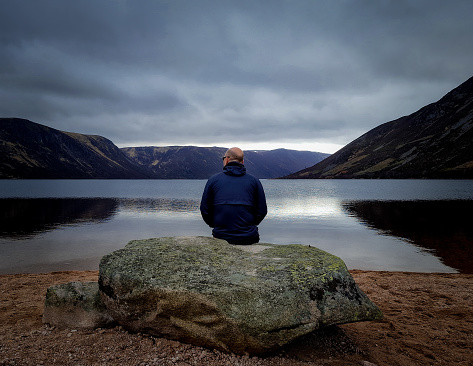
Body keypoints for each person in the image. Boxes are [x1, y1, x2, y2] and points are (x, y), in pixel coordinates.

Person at [200, 147, 267, 245]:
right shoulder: (254, 181)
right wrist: (249, 225)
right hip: (249, 237)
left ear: (226, 159)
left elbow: (204, 210)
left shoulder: (213, 181)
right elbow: (262, 211)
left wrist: (216, 225)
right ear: (242, 162)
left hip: (221, 237)